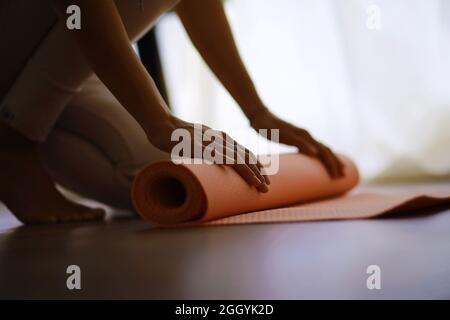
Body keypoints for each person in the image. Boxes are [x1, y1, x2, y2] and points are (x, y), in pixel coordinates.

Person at [0, 0, 344, 224]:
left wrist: (258, 112)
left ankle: (22, 122)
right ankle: (12, 140)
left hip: (59, 71)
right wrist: (159, 121)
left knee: (160, 181)